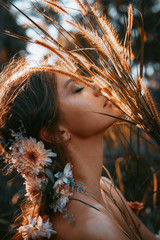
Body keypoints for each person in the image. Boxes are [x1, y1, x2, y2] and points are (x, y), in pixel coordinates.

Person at [0, 58, 157, 240]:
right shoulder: (94, 229)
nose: (97, 87)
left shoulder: (106, 188)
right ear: (57, 132)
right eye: (78, 89)